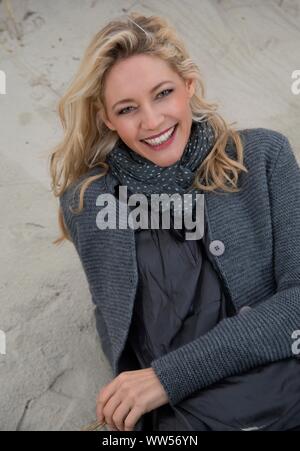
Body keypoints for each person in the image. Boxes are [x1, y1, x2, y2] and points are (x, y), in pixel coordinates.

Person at [49, 12, 300, 432]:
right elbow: (115, 323)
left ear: (188, 85)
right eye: (127, 108)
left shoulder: (262, 157)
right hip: (179, 419)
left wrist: (167, 377)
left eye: (163, 93)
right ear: (105, 118)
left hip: (283, 396)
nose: (152, 121)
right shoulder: (87, 204)